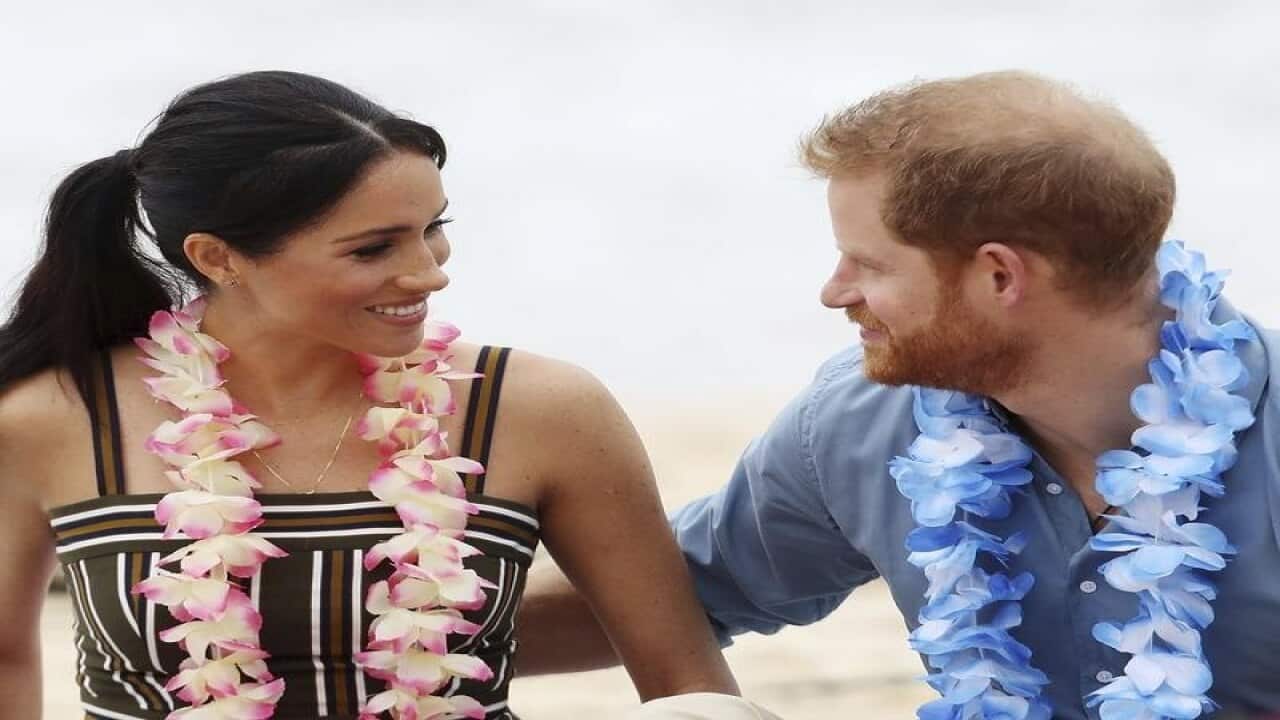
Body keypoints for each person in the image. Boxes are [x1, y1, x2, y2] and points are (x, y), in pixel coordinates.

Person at [516, 71, 1280, 719]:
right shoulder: (865, 422)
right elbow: (681, 590)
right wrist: (445, 630)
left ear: (999, 276)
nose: (834, 292)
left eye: (868, 264)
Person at [0, 70, 741, 720]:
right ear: (217, 257)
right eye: (373, 247)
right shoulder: (52, 418)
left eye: (433, 229)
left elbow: (687, 682)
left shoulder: (541, 411)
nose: (430, 271)